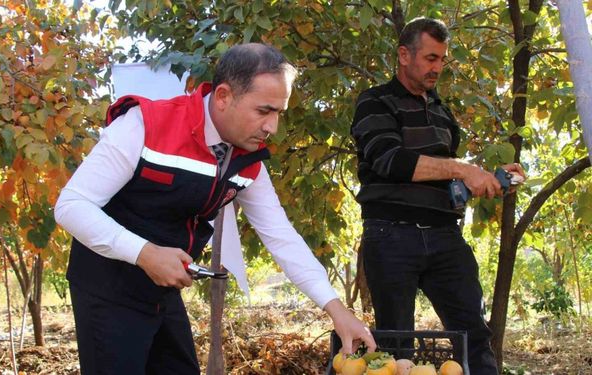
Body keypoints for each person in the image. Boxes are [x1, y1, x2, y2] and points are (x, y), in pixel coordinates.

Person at [55, 43, 376, 374]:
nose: (272, 127)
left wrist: (336, 310)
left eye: (278, 113)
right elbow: (71, 206)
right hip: (107, 289)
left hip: (162, 291)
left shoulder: (247, 160)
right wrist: (146, 254)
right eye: (264, 111)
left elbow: (280, 235)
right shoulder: (145, 125)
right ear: (223, 96)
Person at [350, 18, 525, 375]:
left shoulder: (443, 113)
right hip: (391, 234)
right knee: (397, 344)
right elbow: (391, 160)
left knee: (474, 333)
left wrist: (488, 179)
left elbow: (443, 178)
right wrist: (463, 169)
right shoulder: (374, 102)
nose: (438, 68)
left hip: (445, 236)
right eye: (431, 58)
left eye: (442, 59)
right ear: (403, 54)